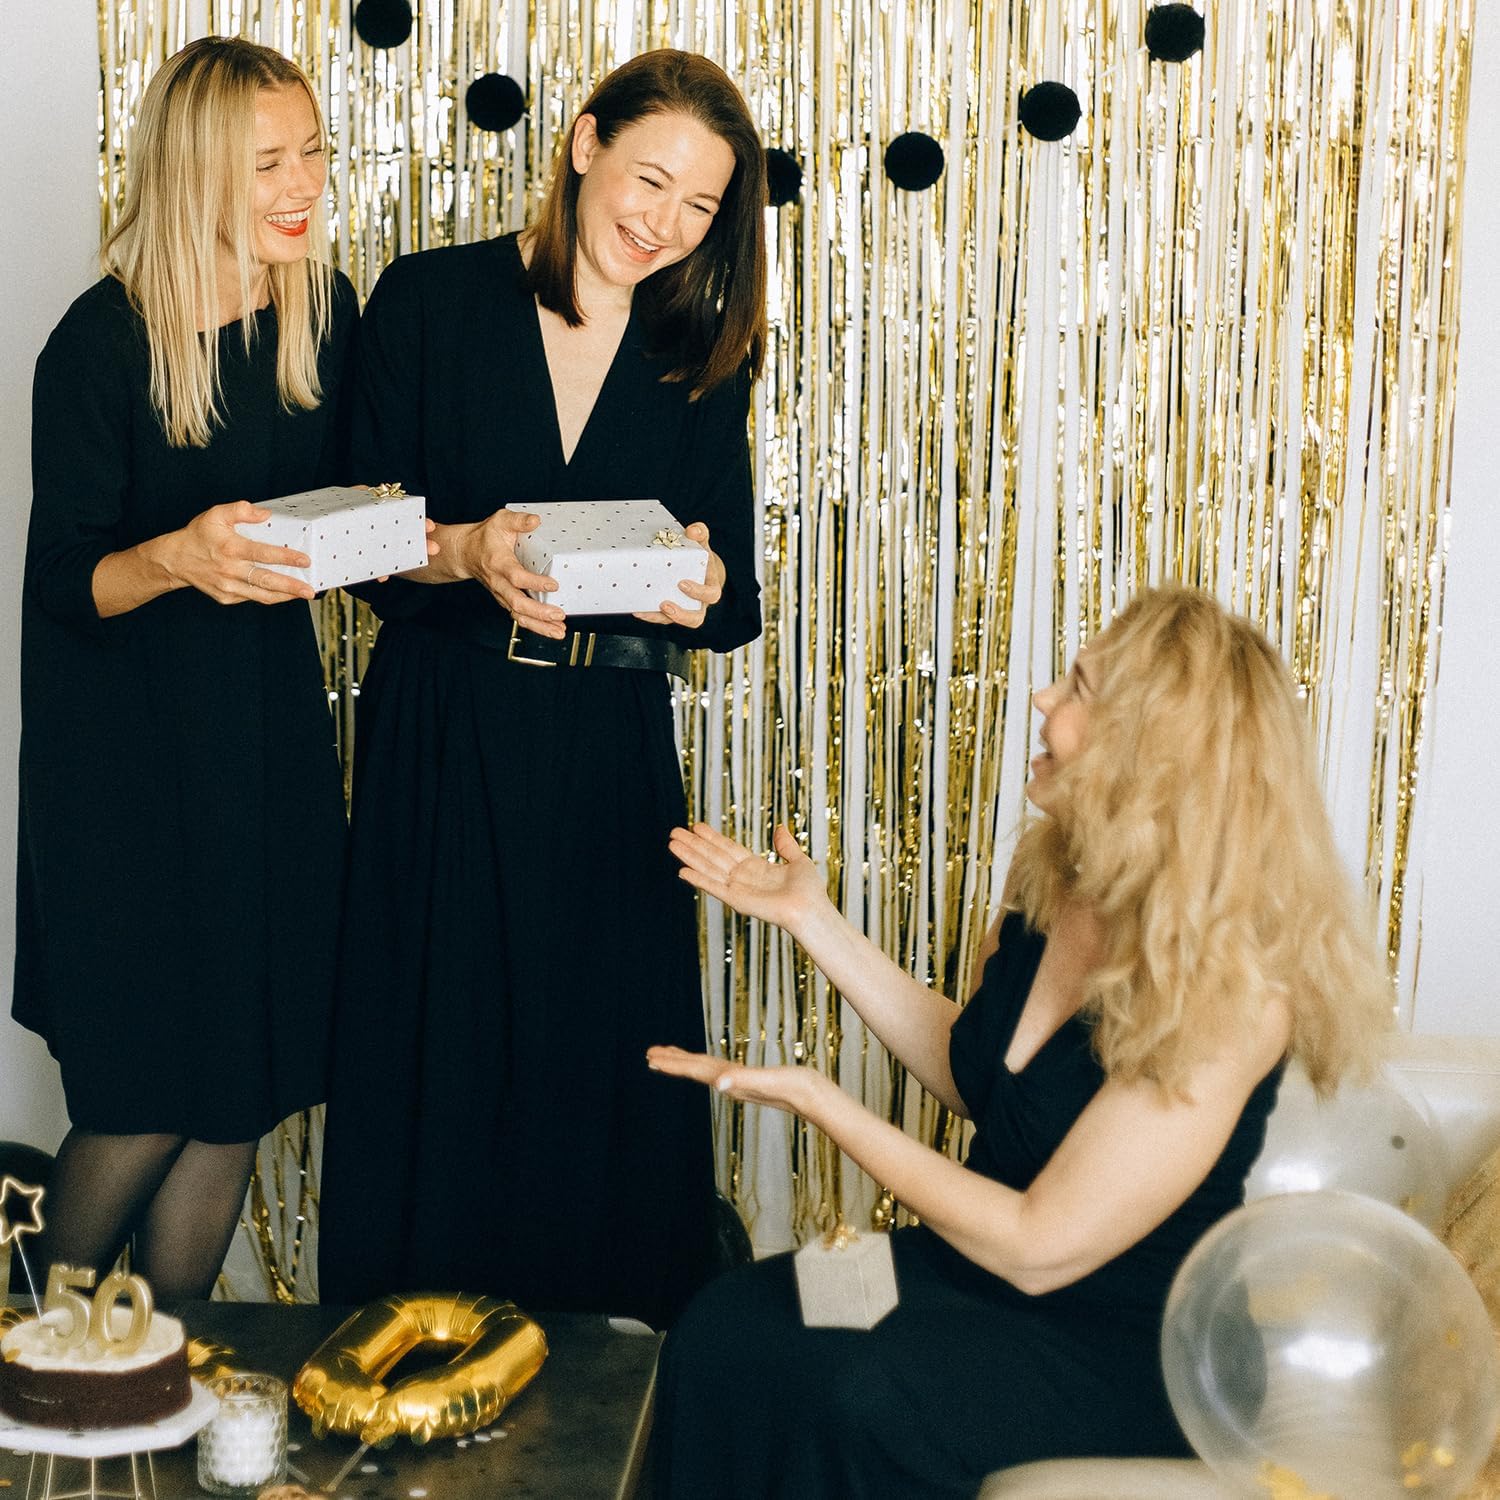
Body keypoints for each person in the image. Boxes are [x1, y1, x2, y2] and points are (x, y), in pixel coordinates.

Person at [648, 585, 1392, 1496]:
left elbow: (1041, 1246)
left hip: (1124, 1347)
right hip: (967, 1276)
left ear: (1148, 751)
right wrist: (816, 922)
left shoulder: (1237, 992)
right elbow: (979, 1074)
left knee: (850, 1395)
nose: (1042, 697)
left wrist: (824, 1103)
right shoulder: (1055, 875)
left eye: (1078, 688)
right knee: (728, 1326)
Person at [317, 49, 767, 1326]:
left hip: (608, 748)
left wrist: (698, 585)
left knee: (594, 1062)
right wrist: (465, 552)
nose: (665, 223)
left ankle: (600, 1382)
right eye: (649, 179)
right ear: (582, 145)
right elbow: (351, 538)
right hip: (441, 729)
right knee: (436, 1049)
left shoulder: (700, 351)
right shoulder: (430, 299)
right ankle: (407, 1357)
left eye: (700, 205)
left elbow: (732, 600)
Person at [16, 36, 356, 1300]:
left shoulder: (320, 309)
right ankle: (34, 1365)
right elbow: (67, 582)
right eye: (267, 161)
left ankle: (161, 1375)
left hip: (262, 751)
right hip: (123, 775)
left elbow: (352, 499)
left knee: (237, 1095)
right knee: (147, 1097)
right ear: (191, 170)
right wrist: (179, 556)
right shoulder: (99, 345)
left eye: (312, 150)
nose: (302, 182)